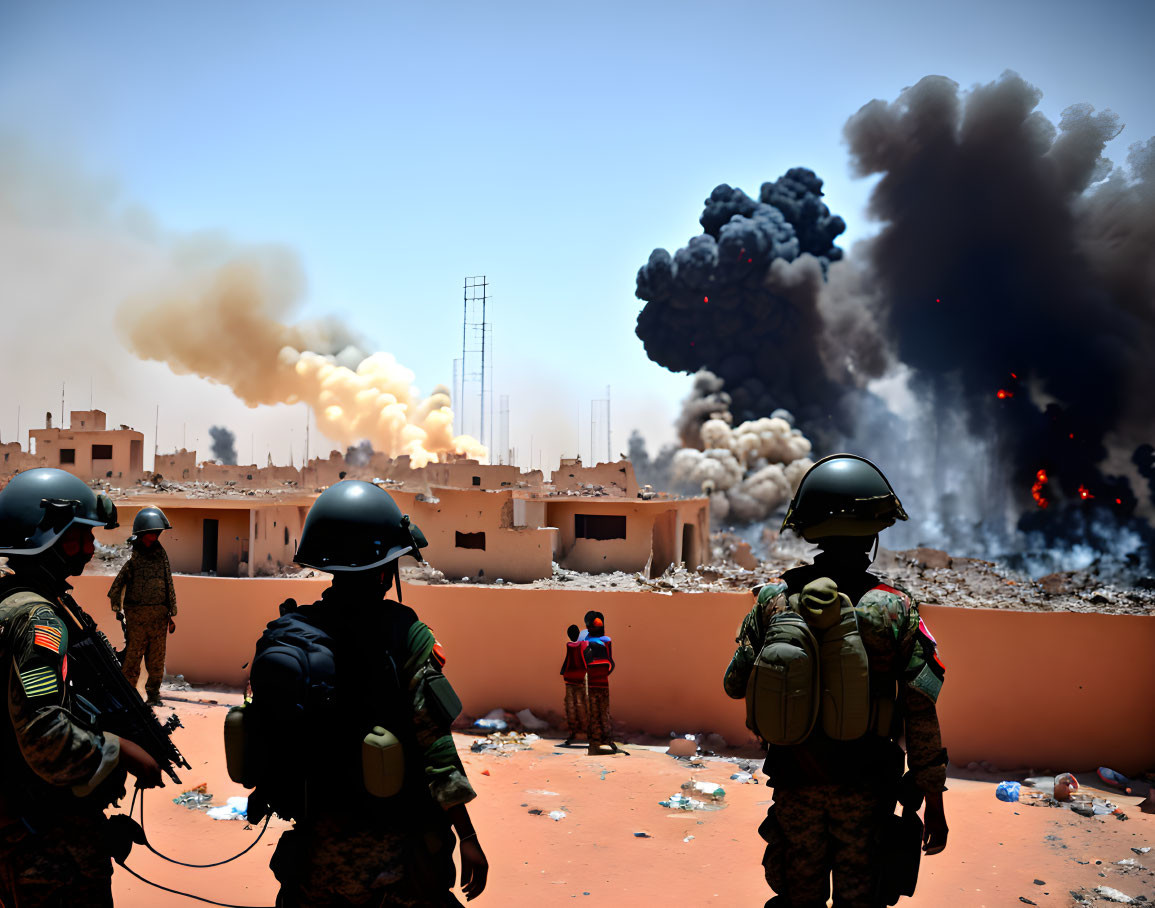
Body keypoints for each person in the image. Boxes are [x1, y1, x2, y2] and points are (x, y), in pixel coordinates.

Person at [723, 454, 948, 908]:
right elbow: (920, 711)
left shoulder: (772, 599)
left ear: (808, 530)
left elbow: (734, 683)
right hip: (866, 788)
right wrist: (933, 804)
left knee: (798, 896)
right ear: (873, 533)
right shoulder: (896, 608)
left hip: (795, 781)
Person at [255, 480, 487, 906]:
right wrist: (468, 836)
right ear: (384, 570)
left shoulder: (295, 634)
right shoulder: (407, 635)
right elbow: (435, 748)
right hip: (391, 866)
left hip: (312, 861)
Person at [0, 468, 165, 906]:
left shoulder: (9, 601)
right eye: (79, 537)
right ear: (47, 538)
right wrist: (121, 751)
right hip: (42, 847)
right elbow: (45, 738)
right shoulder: (38, 619)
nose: (90, 548)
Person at [108, 506, 177, 706]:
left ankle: (153, 696)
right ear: (142, 533)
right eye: (152, 533)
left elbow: (167, 582)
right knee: (132, 660)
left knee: (156, 661)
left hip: (158, 617)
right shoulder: (132, 555)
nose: (155, 537)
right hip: (137, 618)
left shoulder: (160, 554)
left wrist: (171, 614)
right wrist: (117, 607)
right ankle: (128, 698)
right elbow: (118, 584)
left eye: (157, 533)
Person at [584, 617, 623, 755]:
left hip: (594, 681)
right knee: (602, 712)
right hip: (601, 681)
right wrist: (606, 672)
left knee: (595, 713)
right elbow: (611, 662)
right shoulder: (605, 641)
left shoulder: (586, 641)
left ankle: (596, 743)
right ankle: (600, 743)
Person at [559, 624, 588, 746]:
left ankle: (574, 732)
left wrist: (563, 671)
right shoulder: (584, 645)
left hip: (569, 678)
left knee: (570, 706)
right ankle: (585, 731)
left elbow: (567, 660)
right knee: (582, 704)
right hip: (580, 678)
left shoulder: (569, 645)